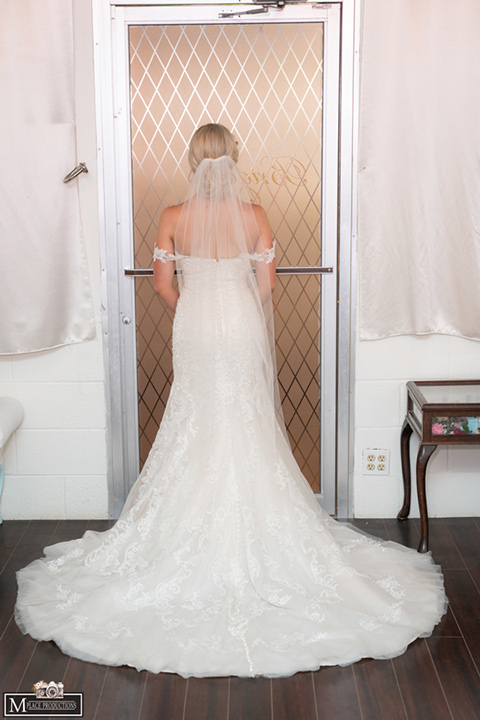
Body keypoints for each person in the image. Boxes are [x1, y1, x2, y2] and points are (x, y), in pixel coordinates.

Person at [15, 124, 447, 678]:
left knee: (196, 413)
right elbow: (265, 286)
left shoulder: (173, 215)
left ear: (193, 159)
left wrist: (194, 305)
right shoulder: (256, 213)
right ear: (234, 159)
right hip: (240, 322)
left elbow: (161, 284)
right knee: (243, 416)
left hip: (195, 324)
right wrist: (232, 302)